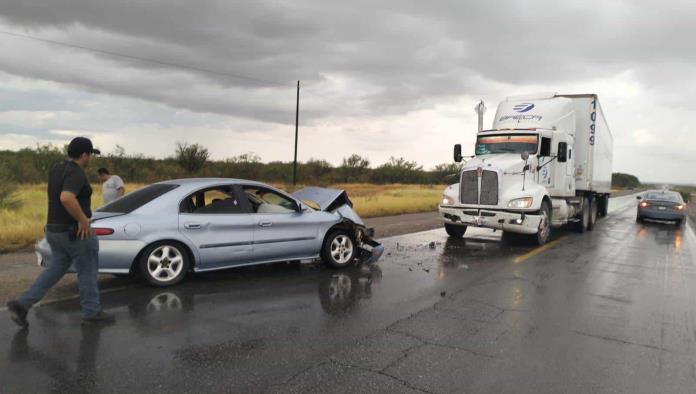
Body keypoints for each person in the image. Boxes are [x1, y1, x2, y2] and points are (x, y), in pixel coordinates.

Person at [6, 137, 115, 328]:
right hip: (74, 232)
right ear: (84, 154)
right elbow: (66, 197)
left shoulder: (56, 169)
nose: (90, 158)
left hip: (54, 231)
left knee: (55, 269)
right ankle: (92, 313)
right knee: (88, 271)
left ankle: (22, 305)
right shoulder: (77, 172)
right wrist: (83, 220)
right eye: (90, 154)